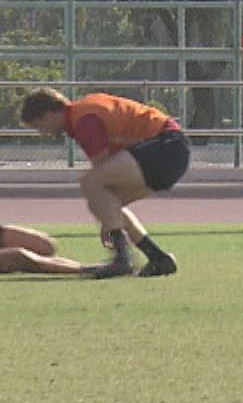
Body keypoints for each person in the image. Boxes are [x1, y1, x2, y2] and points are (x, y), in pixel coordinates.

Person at [19, 87, 189, 278]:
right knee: (107, 199)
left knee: (91, 183)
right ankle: (158, 257)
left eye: (39, 125)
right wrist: (109, 217)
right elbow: (106, 190)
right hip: (170, 150)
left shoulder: (83, 120)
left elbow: (101, 171)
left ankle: (122, 258)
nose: (43, 132)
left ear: (49, 113)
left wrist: (109, 222)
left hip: (166, 145)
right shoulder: (83, 114)